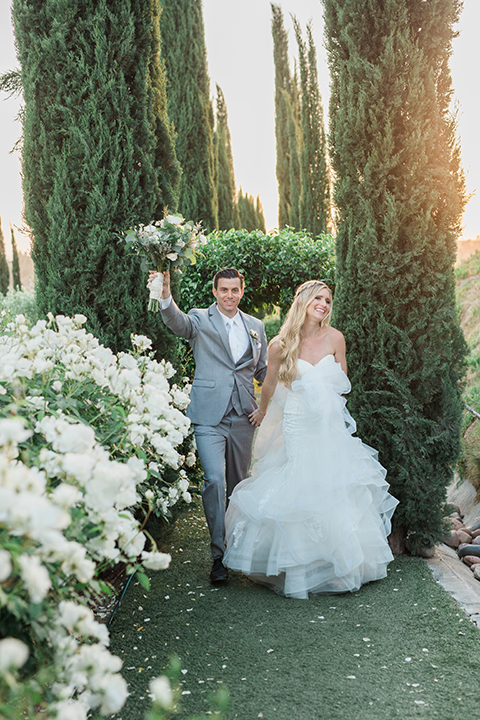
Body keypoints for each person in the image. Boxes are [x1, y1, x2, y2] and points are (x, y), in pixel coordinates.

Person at [223, 280, 398, 599]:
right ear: (303, 301)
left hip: (328, 422)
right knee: (303, 477)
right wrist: (262, 412)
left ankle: (338, 566)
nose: (324, 304)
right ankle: (299, 567)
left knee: (334, 480)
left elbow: (343, 381)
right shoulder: (280, 344)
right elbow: (271, 385)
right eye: (318, 297)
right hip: (298, 419)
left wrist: (324, 396)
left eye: (328, 299)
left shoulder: (336, 338)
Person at [150, 267, 268, 584]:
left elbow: (264, 373)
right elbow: (177, 323)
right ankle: (218, 557)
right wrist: (165, 295)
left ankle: (236, 550)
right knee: (214, 480)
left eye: (235, 290)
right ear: (214, 292)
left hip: (244, 416)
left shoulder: (256, 326)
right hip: (208, 416)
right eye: (223, 290)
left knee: (238, 485)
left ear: (242, 292)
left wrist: (277, 399)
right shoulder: (200, 319)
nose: (229, 295)